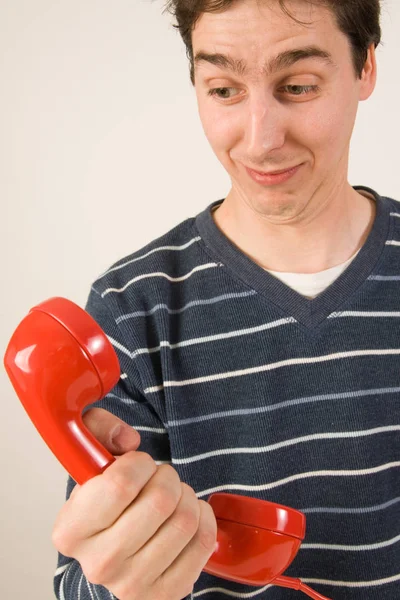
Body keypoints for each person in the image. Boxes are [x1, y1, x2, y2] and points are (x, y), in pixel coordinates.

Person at [52, 0, 400, 598]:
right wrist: (114, 579)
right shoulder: (131, 309)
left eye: (297, 85)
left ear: (366, 67)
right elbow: (80, 585)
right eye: (223, 89)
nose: (260, 140)